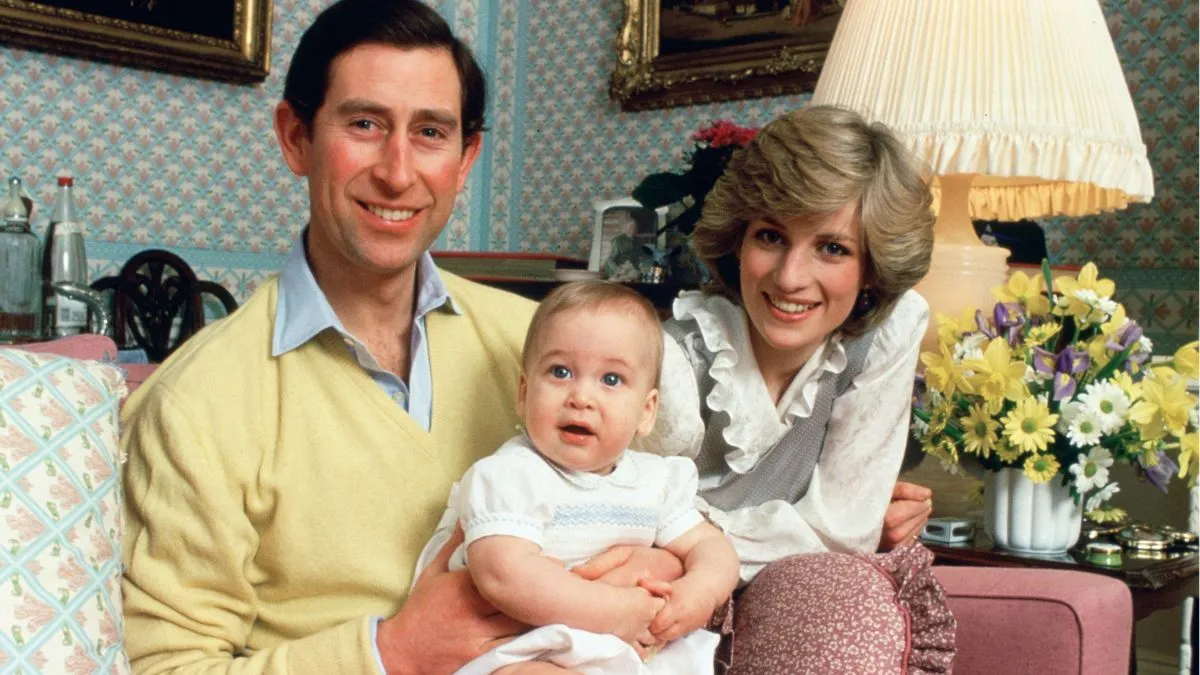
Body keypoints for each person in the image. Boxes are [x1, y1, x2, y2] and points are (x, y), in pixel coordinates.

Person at [119, 1, 540, 672]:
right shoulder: (197, 403)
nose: (397, 172)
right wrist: (389, 652)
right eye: (365, 124)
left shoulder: (539, 348)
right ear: (296, 138)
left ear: (466, 158)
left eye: (430, 132)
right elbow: (167, 666)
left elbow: (647, 525)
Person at [432, 281, 739, 674]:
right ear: (524, 393)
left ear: (646, 411)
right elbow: (504, 575)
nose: (581, 397)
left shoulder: (654, 481)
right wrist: (614, 611)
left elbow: (711, 547)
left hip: (624, 652)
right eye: (560, 372)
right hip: (524, 649)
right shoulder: (511, 476)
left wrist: (699, 591)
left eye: (611, 379)